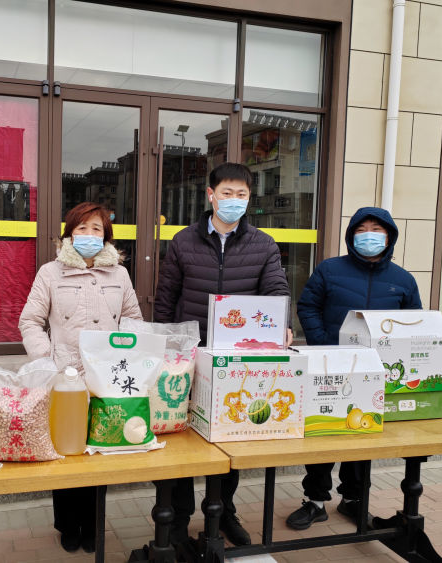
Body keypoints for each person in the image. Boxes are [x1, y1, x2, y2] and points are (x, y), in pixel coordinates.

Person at [154, 162, 291, 547]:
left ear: (249, 198)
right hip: (189, 355)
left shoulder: (263, 244)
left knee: (231, 432)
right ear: (211, 195)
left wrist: (281, 323)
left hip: (238, 358)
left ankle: (222, 511)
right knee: (181, 436)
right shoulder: (183, 241)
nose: (234, 200)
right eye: (226, 193)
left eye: (241, 194)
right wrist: (165, 348)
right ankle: (178, 518)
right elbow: (166, 297)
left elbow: (276, 289)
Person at [285, 206, 422, 530]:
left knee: (363, 433)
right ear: (351, 236)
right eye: (361, 230)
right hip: (330, 365)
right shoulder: (330, 269)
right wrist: (321, 342)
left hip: (375, 372)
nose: (368, 236)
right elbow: (308, 305)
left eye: (376, 230)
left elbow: (414, 323)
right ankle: (315, 501)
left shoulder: (403, 280)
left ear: (389, 237)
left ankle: (354, 499)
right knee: (324, 432)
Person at [19, 202, 142, 553]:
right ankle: (67, 524)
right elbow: (30, 321)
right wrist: (47, 362)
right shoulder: (50, 273)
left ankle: (93, 523)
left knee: (100, 448)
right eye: (82, 228)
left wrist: (129, 356)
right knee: (67, 449)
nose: (89, 234)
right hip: (66, 379)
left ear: (107, 237)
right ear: (69, 234)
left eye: (96, 229)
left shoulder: (119, 275)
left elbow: (133, 319)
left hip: (107, 376)